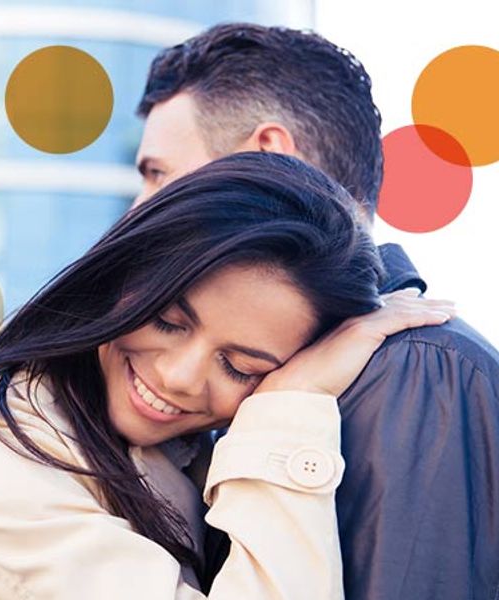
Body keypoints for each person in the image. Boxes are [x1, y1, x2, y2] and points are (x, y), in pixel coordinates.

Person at [0, 152, 455, 598]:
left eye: (240, 366)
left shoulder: (189, 452)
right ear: (123, 275)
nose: (182, 376)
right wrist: (292, 401)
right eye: (166, 321)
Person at [132, 23, 499, 599]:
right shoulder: (288, 364)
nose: (141, 207)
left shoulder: (413, 370)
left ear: (269, 156)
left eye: (158, 174)